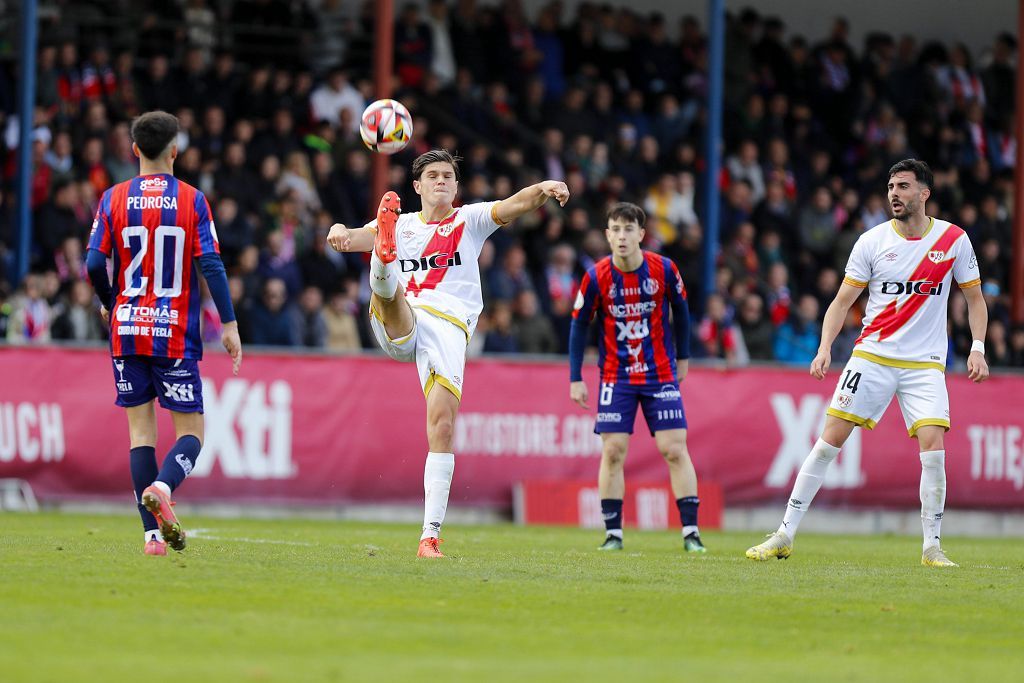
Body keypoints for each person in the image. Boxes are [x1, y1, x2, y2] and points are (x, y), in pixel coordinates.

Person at [746, 159, 989, 567]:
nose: (894, 193)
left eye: (903, 186)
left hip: (925, 363)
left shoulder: (954, 239)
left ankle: (932, 546)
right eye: (891, 186)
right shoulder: (872, 241)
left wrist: (978, 346)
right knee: (828, 441)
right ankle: (784, 533)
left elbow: (975, 298)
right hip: (872, 356)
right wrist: (824, 348)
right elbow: (842, 302)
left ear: (924, 193)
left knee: (933, 446)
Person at [326, 149, 569, 558]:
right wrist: (336, 228)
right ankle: (384, 269)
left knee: (441, 425)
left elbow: (515, 203)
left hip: (449, 329)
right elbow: (347, 239)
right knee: (391, 292)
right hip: (403, 317)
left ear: (456, 187)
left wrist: (544, 189)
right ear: (417, 187)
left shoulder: (468, 220)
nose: (441, 181)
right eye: (433, 176)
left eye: (448, 176)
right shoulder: (401, 225)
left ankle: (429, 537)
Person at [86, 110, 242, 557]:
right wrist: (228, 324)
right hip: (172, 331)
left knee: (141, 433)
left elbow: (95, 264)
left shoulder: (112, 198)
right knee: (192, 432)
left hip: (126, 328)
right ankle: (163, 486)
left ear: (134, 149)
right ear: (175, 149)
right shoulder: (192, 200)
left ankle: (151, 537)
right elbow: (210, 263)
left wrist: (111, 301)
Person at [568, 202, 706, 553]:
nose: (622, 236)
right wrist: (575, 377)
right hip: (617, 375)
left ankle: (691, 533)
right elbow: (579, 324)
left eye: (629, 229)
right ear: (607, 235)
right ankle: (613, 535)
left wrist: (684, 357)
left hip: (660, 372)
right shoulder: (597, 276)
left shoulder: (663, 268)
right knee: (613, 451)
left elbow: (683, 311)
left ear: (641, 235)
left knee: (674, 449)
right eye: (615, 229)